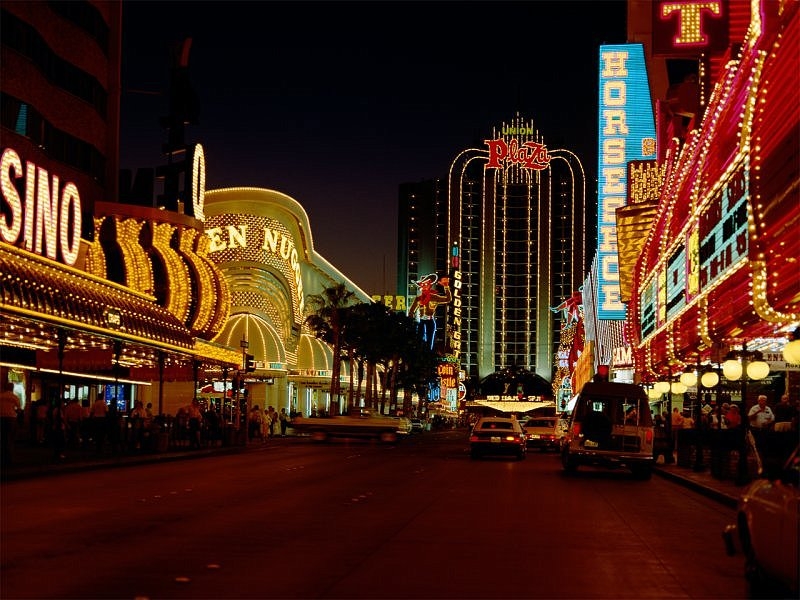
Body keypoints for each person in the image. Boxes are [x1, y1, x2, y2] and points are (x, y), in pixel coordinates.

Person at [408, 274, 452, 350]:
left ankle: (428, 355)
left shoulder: (434, 297)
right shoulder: (418, 299)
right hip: (421, 321)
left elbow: (448, 299)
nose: (424, 286)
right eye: (422, 284)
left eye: (426, 284)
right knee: (419, 341)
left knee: (429, 343)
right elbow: (411, 311)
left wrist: (446, 286)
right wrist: (410, 323)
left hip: (430, 321)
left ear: (429, 285)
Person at [0, 379, 22, 467]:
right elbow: (19, 409)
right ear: (12, 388)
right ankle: (8, 458)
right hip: (11, 418)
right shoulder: (14, 397)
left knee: (2, 437)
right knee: (10, 438)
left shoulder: (1, 396)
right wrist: (15, 412)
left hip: (1, 417)